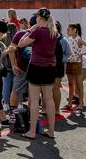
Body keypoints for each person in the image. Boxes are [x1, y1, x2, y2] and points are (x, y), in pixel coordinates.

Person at [18, 8, 57, 140]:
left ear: (39, 18)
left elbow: (20, 43)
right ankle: (51, 131)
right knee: (49, 99)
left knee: (34, 100)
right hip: (50, 67)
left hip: (36, 67)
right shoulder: (54, 32)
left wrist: (30, 29)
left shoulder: (38, 31)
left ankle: (32, 131)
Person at [65, 23, 86, 113]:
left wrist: (82, 54)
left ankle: (80, 105)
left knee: (79, 85)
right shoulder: (68, 39)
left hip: (77, 64)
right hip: (69, 63)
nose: (67, 31)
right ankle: (70, 104)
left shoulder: (79, 39)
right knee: (71, 84)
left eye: (69, 29)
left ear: (75, 30)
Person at [51, 21, 71, 112]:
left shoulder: (62, 40)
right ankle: (54, 109)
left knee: (52, 88)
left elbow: (68, 54)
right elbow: (68, 54)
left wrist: (59, 60)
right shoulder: (63, 39)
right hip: (56, 66)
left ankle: (53, 110)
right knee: (54, 88)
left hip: (54, 66)